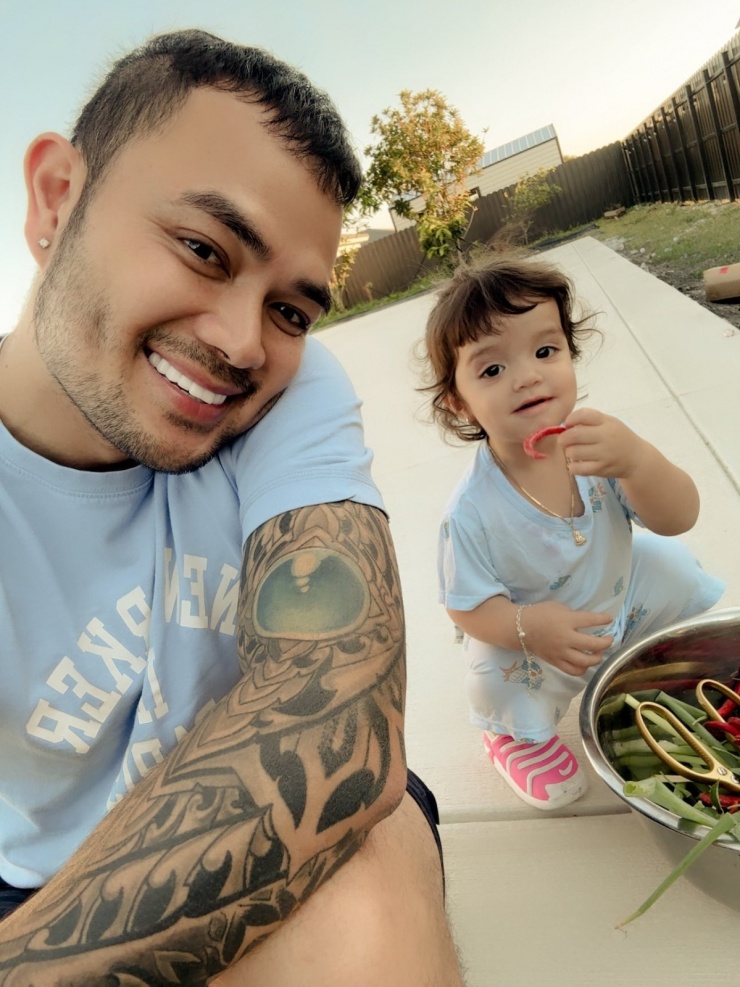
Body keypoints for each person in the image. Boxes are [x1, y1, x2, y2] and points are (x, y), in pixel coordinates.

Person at [0, 29, 465, 986]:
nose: (246, 343)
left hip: (277, 819)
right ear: (56, 198)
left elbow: (336, 726)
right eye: (205, 249)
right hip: (25, 887)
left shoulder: (290, 392)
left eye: (291, 310)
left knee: (368, 893)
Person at [420, 255, 724, 812]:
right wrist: (527, 627)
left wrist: (639, 462)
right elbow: (466, 606)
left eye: (545, 351)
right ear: (458, 402)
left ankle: (650, 658)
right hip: (540, 639)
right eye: (493, 369)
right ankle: (514, 736)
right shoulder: (471, 512)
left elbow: (679, 516)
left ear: (569, 351)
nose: (527, 376)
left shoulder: (600, 447)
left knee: (673, 563)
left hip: (618, 598)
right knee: (494, 676)